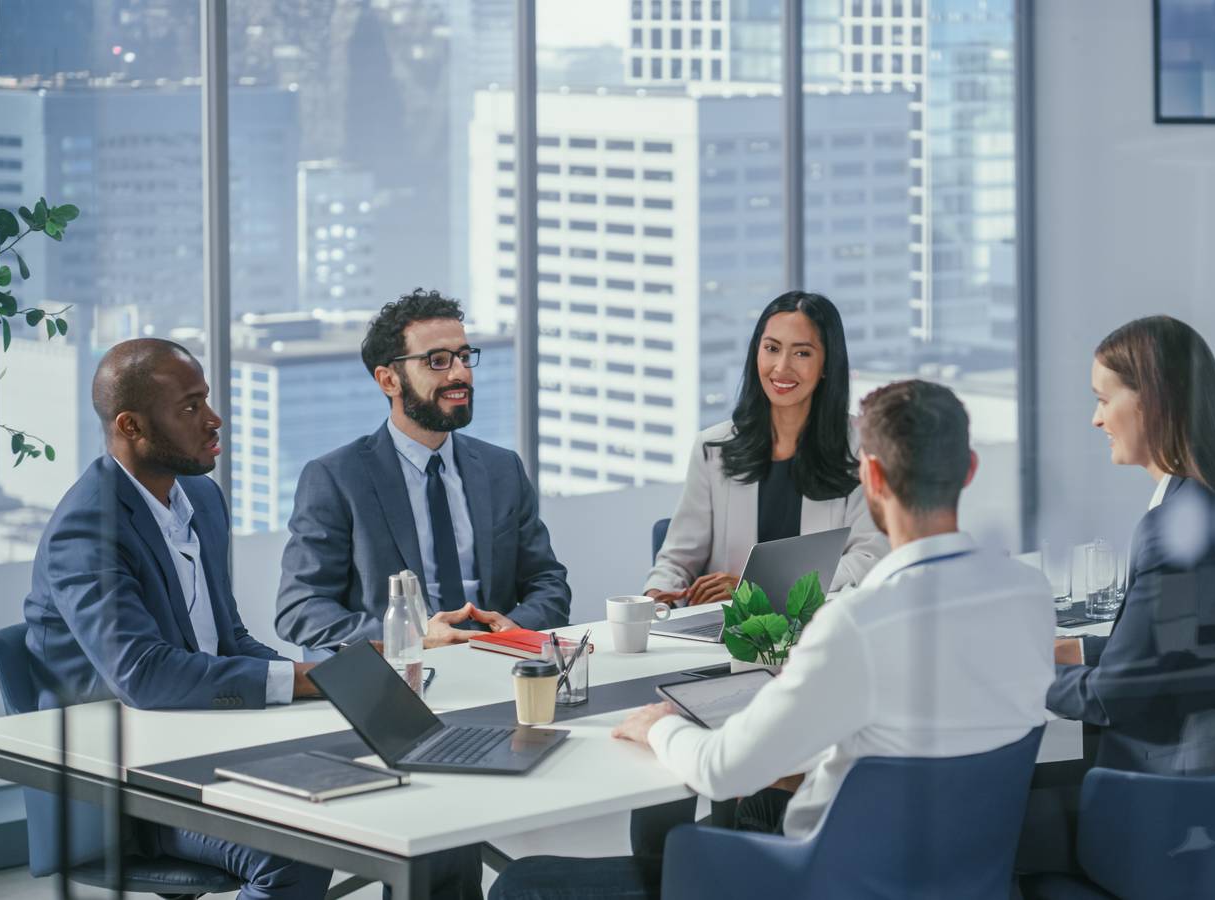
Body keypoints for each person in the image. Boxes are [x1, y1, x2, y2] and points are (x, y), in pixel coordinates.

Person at [488, 379, 1056, 900]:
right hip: (954, 878)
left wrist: (658, 724)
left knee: (524, 884)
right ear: (971, 468)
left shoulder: (856, 624)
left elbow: (720, 771)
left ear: (874, 477)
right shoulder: (1029, 595)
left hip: (812, 881)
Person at [23, 339, 331, 900]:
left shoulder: (200, 498)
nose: (214, 419)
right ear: (131, 426)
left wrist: (321, 678)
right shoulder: (87, 531)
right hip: (126, 785)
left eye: (206, 400)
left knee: (379, 796)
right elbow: (143, 675)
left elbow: (228, 638)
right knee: (301, 853)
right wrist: (300, 681)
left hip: (203, 746)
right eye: (189, 407)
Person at [1017, 315, 1215, 880]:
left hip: (1180, 803)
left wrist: (1022, 670)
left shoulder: (1175, 527)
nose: (1095, 417)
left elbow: (1111, 701)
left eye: (1104, 399)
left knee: (1005, 814)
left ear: (1150, 402)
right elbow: (1182, 643)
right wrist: (1072, 650)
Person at [275, 288, 571, 653]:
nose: (460, 374)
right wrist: (412, 637)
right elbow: (300, 609)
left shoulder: (501, 468)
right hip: (400, 675)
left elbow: (548, 581)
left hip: (499, 661)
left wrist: (514, 630)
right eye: (438, 361)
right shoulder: (336, 478)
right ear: (389, 380)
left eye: (464, 357)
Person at [644, 290, 886, 607]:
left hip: (819, 630)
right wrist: (654, 602)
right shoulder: (713, 447)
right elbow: (676, 561)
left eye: (802, 353)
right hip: (727, 637)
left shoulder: (863, 448)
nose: (781, 367)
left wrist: (761, 589)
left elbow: (870, 558)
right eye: (771, 349)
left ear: (827, 363)